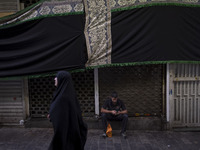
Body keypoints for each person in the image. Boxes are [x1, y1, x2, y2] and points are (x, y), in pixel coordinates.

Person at [47, 71, 88, 150]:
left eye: (57, 77)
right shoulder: (67, 94)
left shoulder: (63, 97)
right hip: (68, 130)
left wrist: (52, 115)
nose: (55, 79)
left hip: (64, 131)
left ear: (62, 79)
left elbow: (60, 114)